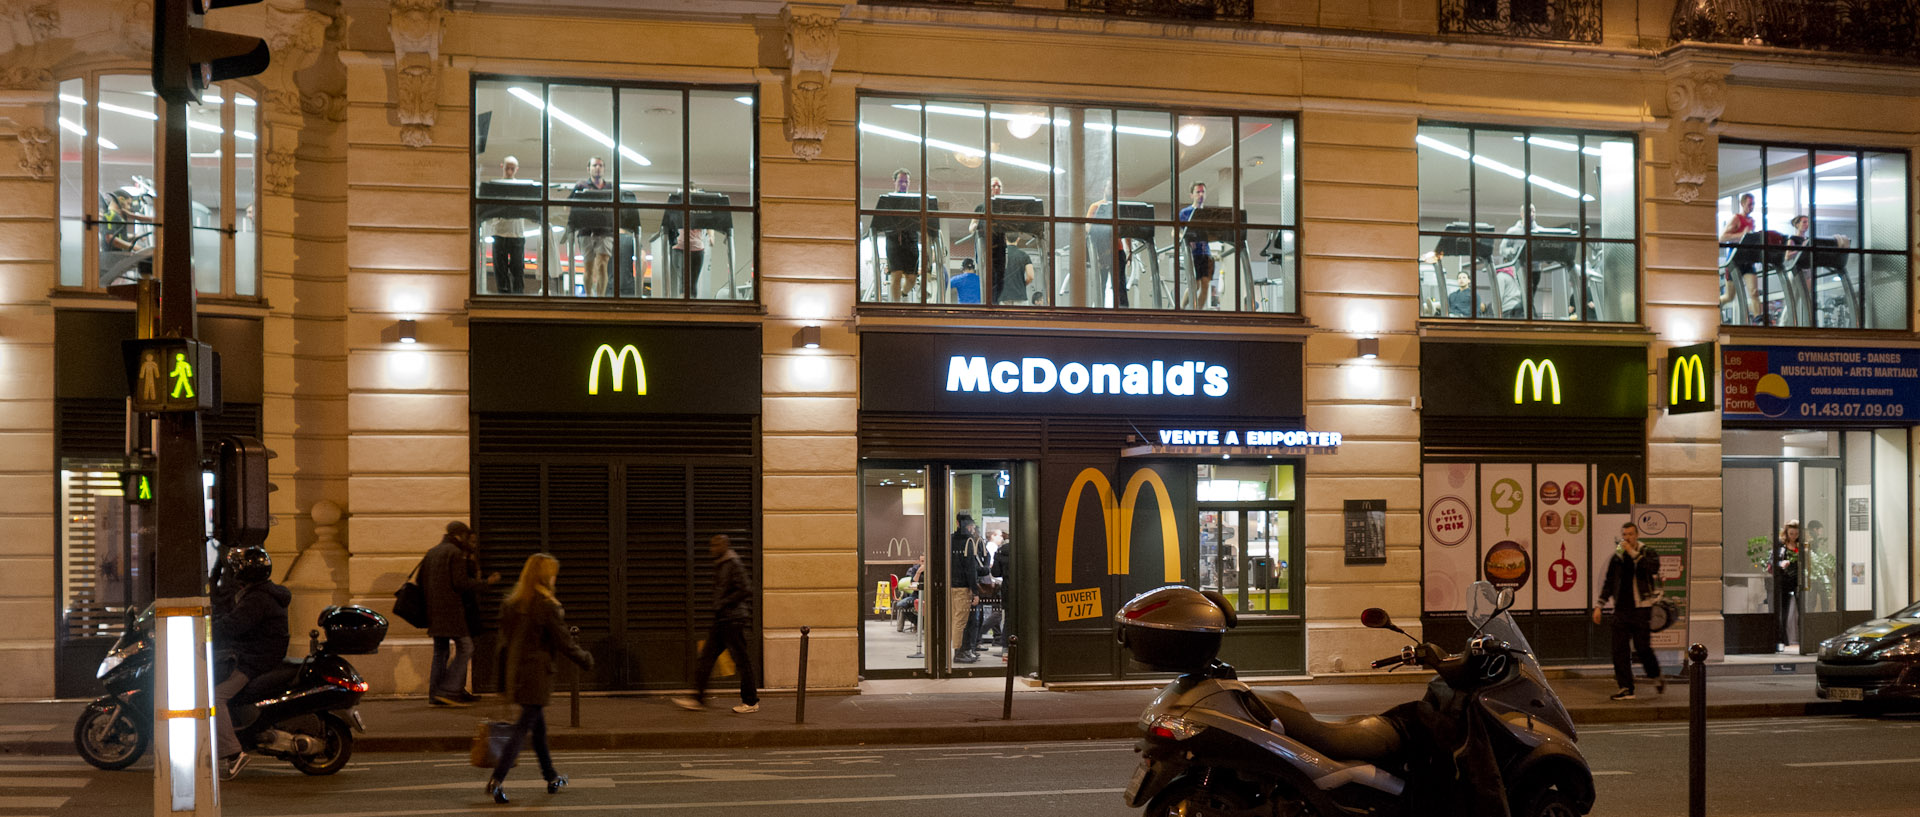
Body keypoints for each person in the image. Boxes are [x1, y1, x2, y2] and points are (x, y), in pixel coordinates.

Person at [486, 553, 593, 805]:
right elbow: (565, 642)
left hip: (517, 673)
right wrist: (586, 659)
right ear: (546, 576)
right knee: (522, 729)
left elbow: (503, 645)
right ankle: (497, 779)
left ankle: (551, 776)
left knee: (538, 729)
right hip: (536, 675)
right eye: (553, 573)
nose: (555, 577)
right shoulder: (546, 605)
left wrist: (502, 681)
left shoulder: (513, 603)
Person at [210, 545, 291, 780]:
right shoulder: (261, 594)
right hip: (258, 654)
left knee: (216, 697)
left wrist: (201, 630)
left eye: (235, 569)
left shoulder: (257, 599)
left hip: (255, 659)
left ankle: (234, 753)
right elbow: (232, 620)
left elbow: (233, 626)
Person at [673, 534, 761, 714]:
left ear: (725, 545)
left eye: (716, 545)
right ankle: (697, 699)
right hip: (723, 619)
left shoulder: (732, 563)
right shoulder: (722, 563)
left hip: (733, 619)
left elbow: (746, 588)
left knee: (741, 661)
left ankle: (751, 701)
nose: (712, 548)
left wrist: (723, 602)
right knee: (706, 658)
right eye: (712, 544)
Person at [421, 521, 499, 707]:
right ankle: (449, 690)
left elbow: (422, 581)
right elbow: (460, 583)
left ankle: (436, 694)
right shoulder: (454, 553)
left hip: (435, 611)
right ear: (458, 535)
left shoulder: (432, 552)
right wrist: (486, 583)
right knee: (466, 647)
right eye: (465, 536)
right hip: (451, 612)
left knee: (441, 652)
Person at [1592, 522, 1665, 701]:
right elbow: (1609, 581)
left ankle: (1655, 675)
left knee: (1642, 648)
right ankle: (1626, 687)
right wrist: (1599, 605)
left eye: (1630, 534)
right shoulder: (1618, 555)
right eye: (1624, 535)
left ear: (1637, 535)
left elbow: (1651, 568)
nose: (1627, 538)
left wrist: (1632, 553)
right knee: (1619, 649)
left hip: (1641, 609)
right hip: (1622, 610)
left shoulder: (1647, 552)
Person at [482, 156, 534, 294]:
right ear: (502, 167)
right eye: (507, 168)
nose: (510, 171)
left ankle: (518, 295)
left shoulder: (521, 187)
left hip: (517, 233)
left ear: (516, 169)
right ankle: (503, 294)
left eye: (512, 168)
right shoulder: (496, 186)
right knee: (500, 269)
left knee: (517, 269)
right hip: (499, 232)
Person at [569, 157, 614, 297]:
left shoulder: (610, 187)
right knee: (588, 267)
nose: (598, 168)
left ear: (604, 169)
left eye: (600, 165)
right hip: (585, 230)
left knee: (602, 264)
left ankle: (600, 298)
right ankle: (589, 296)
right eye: (595, 165)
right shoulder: (581, 186)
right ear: (589, 169)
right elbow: (569, 205)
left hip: (605, 230)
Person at [1721, 193, 1764, 323]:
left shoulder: (1752, 221)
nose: (1751, 207)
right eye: (1749, 204)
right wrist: (1741, 234)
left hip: (1748, 260)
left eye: (1753, 205)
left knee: (1754, 291)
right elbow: (1722, 238)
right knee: (1730, 296)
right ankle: (1715, 305)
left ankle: (1758, 319)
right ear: (1742, 204)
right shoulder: (1736, 219)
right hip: (1734, 261)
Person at [880, 169, 922, 302]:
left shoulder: (914, 202)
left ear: (909, 183)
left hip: (910, 239)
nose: (903, 184)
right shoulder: (888, 201)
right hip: (893, 239)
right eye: (901, 181)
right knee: (896, 275)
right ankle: (896, 305)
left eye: (906, 182)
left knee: (912, 278)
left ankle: (904, 293)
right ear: (895, 182)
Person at [1086, 180, 1128, 307]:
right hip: (1101, 250)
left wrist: (1130, 250)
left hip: (1118, 250)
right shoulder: (1096, 206)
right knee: (1101, 284)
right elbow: (1088, 228)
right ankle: (1099, 311)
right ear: (1104, 189)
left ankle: (1123, 314)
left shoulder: (1119, 207)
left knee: (1120, 285)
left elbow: (1127, 229)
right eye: (1110, 188)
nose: (1113, 191)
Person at [948, 514, 984, 665]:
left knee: (954, 620)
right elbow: (970, 569)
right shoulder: (968, 542)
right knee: (960, 622)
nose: (971, 528)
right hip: (962, 587)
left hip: (949, 586)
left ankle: (961, 651)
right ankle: (958, 652)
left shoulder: (949, 539)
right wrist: (975, 591)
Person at [970, 177, 1011, 304]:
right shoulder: (981, 207)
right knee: (990, 277)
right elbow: (971, 227)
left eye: (999, 187)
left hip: (1000, 248)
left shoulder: (1004, 208)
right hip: (985, 248)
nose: (997, 189)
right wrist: (977, 226)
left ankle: (995, 303)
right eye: (994, 186)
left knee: (1000, 279)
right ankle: (990, 303)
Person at [1178, 182, 1214, 310]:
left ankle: (1199, 312)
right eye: (1198, 192)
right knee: (1195, 285)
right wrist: (1185, 240)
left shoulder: (1207, 213)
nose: (1201, 195)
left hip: (1206, 252)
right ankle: (1182, 307)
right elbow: (1176, 231)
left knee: (1205, 284)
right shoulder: (1185, 213)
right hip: (1193, 253)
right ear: (1191, 195)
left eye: (1203, 192)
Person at [1771, 519, 1803, 652]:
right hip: (1784, 581)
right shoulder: (1781, 545)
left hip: (1798, 581)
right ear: (1787, 533)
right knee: (1783, 612)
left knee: (1802, 611)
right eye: (1791, 534)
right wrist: (1781, 564)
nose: (1793, 536)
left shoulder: (1801, 545)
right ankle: (1782, 640)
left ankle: (1804, 640)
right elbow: (1772, 561)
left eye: (1796, 534)